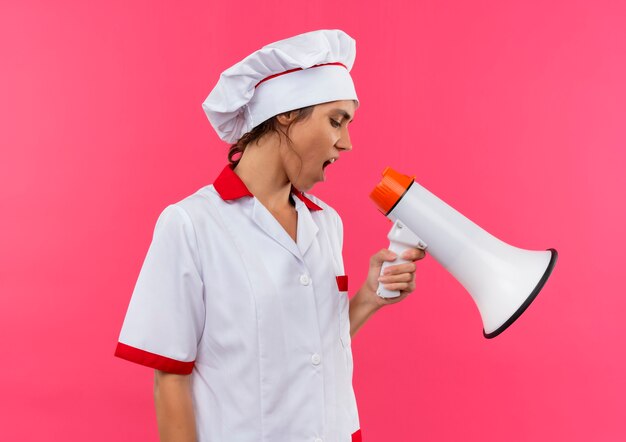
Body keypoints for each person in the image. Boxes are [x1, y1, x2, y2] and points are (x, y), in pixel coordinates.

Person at [114, 29, 426, 442]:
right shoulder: (191, 224)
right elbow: (170, 379)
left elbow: (312, 349)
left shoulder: (327, 223)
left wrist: (369, 298)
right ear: (286, 114)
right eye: (336, 120)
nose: (347, 143)